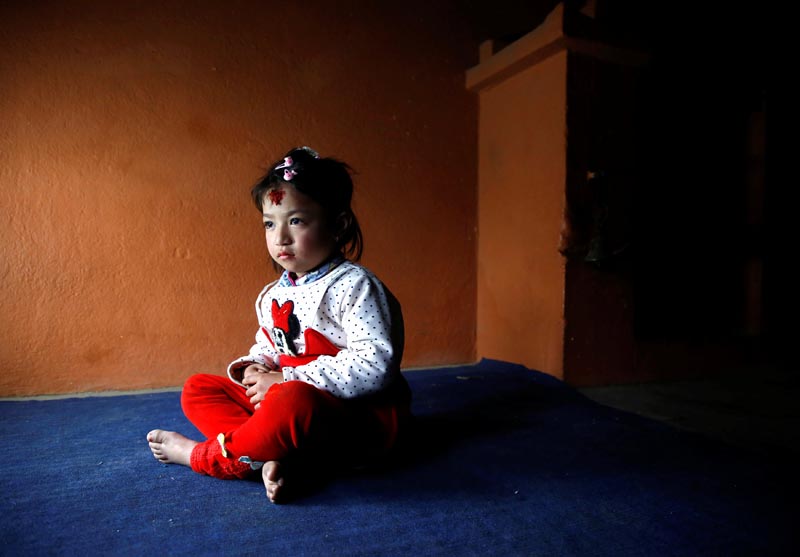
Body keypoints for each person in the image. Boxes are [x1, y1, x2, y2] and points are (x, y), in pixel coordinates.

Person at [147, 146, 411, 503]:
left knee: (292, 400)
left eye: (296, 221)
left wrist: (287, 379)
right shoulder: (273, 293)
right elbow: (274, 346)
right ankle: (274, 454)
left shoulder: (354, 285)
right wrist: (256, 367)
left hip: (355, 421)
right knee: (199, 389)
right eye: (270, 223)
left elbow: (376, 365)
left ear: (339, 224)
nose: (280, 237)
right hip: (289, 403)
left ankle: (206, 457)